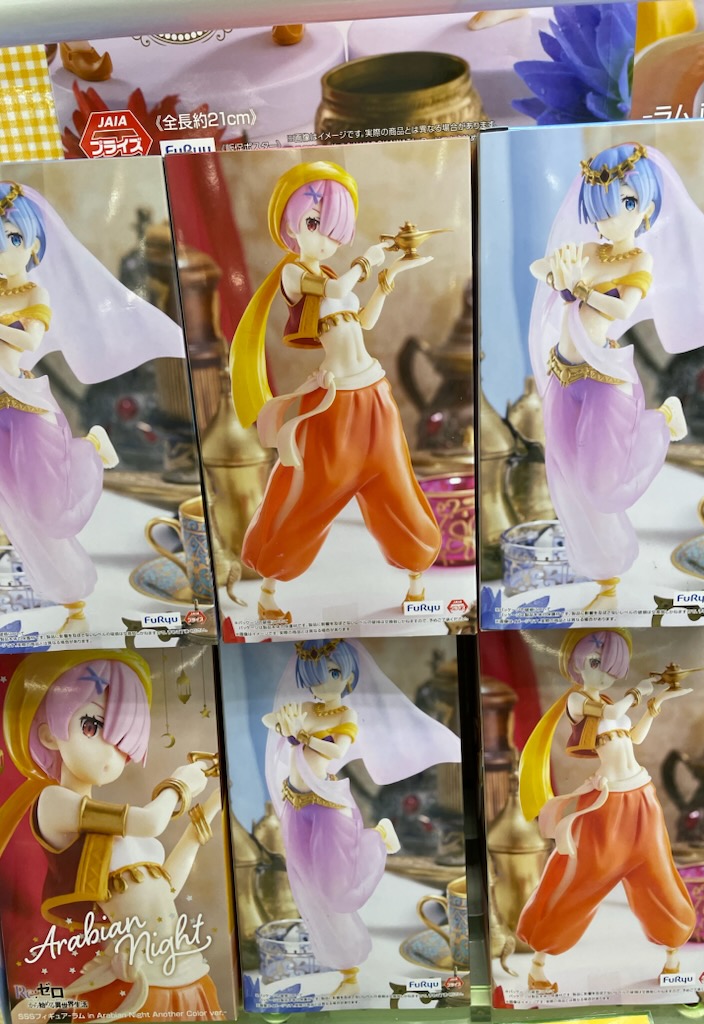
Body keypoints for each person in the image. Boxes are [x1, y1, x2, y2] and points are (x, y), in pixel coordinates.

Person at [528, 141, 704, 608]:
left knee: (603, 488)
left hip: (605, 379)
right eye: (600, 207)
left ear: (647, 207)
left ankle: (661, 422)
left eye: (626, 203)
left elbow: (622, 308)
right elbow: (545, 272)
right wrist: (557, 273)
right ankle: (605, 578)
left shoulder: (639, 260)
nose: (611, 218)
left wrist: (579, 287)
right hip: (564, 375)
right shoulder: (586, 250)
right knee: (569, 480)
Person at [229, 161, 441, 624]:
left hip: (375, 394)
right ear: (290, 224)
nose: (325, 240)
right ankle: (269, 589)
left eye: (333, 230)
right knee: (311, 492)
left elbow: (362, 321)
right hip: (335, 404)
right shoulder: (293, 274)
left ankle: (416, 579)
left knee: (395, 481)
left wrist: (389, 276)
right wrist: (369, 258)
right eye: (313, 225)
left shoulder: (328, 273)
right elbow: (340, 285)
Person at [0, 180, 185, 632]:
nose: (4, 249)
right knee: (13, 509)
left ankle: (90, 450)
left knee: (48, 511)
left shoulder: (35, 294)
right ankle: (68, 601)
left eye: (14, 238)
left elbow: (30, 341)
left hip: (26, 406)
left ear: (34, 246)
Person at [0, 651, 222, 1021]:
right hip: (137, 976)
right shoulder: (54, 802)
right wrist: (179, 784)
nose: (110, 753)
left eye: (123, 742)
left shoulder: (117, 830)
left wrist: (212, 808)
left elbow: (163, 890)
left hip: (181, 967)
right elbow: (151, 821)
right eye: (91, 726)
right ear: (48, 734)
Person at [263, 638, 462, 995]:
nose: (324, 684)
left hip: (328, 805)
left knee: (336, 891)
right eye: (315, 675)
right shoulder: (305, 708)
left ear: (349, 675)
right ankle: (348, 972)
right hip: (296, 805)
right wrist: (283, 725)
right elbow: (271, 720)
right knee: (309, 888)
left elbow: (335, 750)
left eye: (333, 673)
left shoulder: (346, 715)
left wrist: (300, 733)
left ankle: (377, 837)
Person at [517, 628, 695, 992]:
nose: (603, 675)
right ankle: (538, 963)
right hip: (608, 806)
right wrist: (639, 691)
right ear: (575, 663)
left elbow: (634, 737)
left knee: (658, 871)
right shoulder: (577, 700)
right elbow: (613, 712)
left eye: (611, 668)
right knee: (583, 878)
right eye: (595, 663)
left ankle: (672, 954)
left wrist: (655, 705)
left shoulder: (611, 701)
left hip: (642, 798)